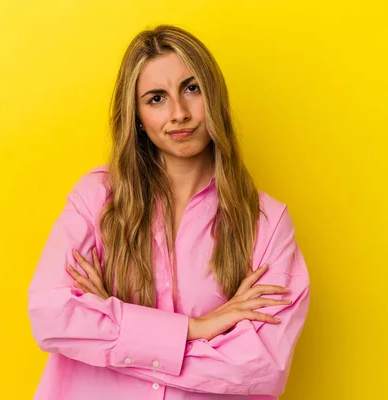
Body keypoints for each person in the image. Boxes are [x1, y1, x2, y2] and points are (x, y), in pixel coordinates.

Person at [27, 24, 310, 400]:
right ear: (137, 116)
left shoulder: (267, 224)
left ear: (214, 96)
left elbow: (258, 368)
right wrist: (197, 328)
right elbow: (51, 317)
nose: (178, 113)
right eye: (156, 98)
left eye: (191, 89)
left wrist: (112, 328)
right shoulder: (96, 200)